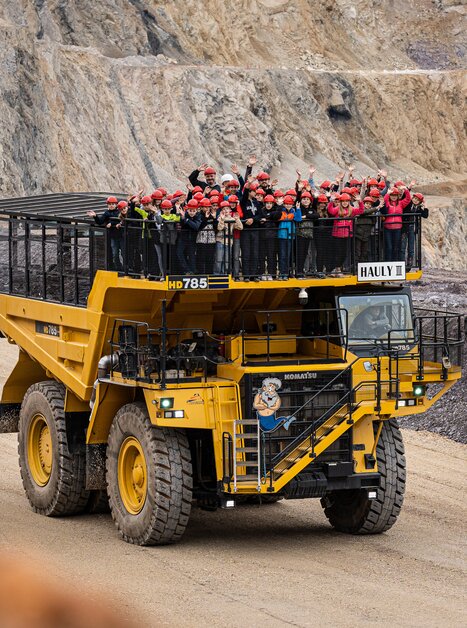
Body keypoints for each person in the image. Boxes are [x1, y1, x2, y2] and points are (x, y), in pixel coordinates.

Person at [327, 193, 363, 276]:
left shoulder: (352, 209)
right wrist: (331, 201)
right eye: (343, 201)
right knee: (337, 252)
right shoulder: (337, 209)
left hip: (347, 235)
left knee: (344, 253)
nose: (345, 203)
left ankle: (338, 268)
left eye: (346, 201)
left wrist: (360, 202)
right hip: (337, 234)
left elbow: (361, 211)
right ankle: (336, 269)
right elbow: (330, 211)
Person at [87, 196, 123, 271]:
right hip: (113, 236)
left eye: (113, 204)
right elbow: (100, 221)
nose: (111, 205)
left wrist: (111, 223)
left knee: (124, 253)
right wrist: (95, 216)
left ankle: (127, 268)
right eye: (110, 204)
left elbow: (121, 220)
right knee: (115, 253)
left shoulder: (119, 211)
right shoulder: (107, 213)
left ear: (116, 204)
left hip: (122, 236)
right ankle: (119, 267)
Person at [240, 180, 263, 281]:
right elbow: (244, 195)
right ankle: (246, 275)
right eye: (254, 191)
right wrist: (248, 185)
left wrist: (253, 219)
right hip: (245, 231)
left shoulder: (257, 203)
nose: (255, 193)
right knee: (246, 253)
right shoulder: (243, 201)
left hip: (255, 230)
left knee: (255, 252)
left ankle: (253, 275)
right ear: (249, 191)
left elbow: (260, 215)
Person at [381, 186, 412, 262]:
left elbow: (408, 199)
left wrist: (406, 190)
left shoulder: (401, 203)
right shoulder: (388, 203)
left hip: (397, 228)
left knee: (396, 247)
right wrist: (387, 194)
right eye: (392, 195)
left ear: (398, 196)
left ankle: (395, 263)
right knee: (389, 247)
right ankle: (388, 263)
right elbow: (384, 202)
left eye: (395, 195)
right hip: (388, 228)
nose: (394, 197)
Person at [214, 201, 243, 274]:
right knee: (219, 259)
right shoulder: (219, 218)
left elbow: (240, 227)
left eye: (227, 208)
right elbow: (220, 228)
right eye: (224, 209)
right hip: (220, 240)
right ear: (221, 211)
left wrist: (237, 219)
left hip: (229, 241)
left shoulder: (232, 219)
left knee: (227, 259)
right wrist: (222, 219)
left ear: (230, 210)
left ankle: (225, 274)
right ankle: (217, 274)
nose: (226, 210)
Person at [402, 192, 428, 271]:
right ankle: (401, 265)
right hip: (405, 228)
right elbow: (404, 197)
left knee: (411, 248)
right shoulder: (408, 205)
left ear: (420, 202)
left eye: (418, 200)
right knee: (403, 247)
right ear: (412, 198)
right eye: (415, 198)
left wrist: (425, 205)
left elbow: (425, 215)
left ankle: (408, 266)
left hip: (412, 230)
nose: (416, 200)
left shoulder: (419, 209)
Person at [277, 195, 302, 279]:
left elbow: (298, 219)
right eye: (286, 204)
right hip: (282, 236)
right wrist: (279, 206)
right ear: (284, 204)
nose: (288, 205)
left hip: (290, 236)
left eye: (290, 204)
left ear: (292, 205)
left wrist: (298, 209)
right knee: (282, 255)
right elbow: (277, 216)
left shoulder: (293, 211)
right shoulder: (281, 211)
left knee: (288, 255)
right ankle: (282, 273)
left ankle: (286, 273)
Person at [296, 191, 318, 277]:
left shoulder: (312, 210)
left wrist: (306, 216)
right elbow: (298, 217)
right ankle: (299, 272)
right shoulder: (300, 208)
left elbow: (316, 215)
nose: (305, 201)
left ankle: (301, 271)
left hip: (309, 235)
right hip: (300, 234)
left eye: (307, 199)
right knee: (300, 253)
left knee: (305, 253)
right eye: (304, 199)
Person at [176, 199, 201, 274]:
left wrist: (186, 220)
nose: (192, 213)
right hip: (183, 238)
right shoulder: (184, 214)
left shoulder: (198, 216)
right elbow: (180, 221)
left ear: (196, 210)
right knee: (179, 253)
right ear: (187, 210)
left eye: (194, 211)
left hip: (192, 239)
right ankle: (187, 270)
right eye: (190, 210)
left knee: (192, 256)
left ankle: (192, 271)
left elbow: (196, 226)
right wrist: (180, 215)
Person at [260, 195, 281, 279]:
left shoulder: (275, 210)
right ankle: (262, 273)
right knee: (262, 256)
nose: (268, 205)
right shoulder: (262, 211)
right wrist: (269, 218)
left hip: (272, 237)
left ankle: (272, 273)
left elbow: (277, 215)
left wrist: (267, 218)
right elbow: (259, 218)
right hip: (263, 236)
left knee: (271, 256)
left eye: (270, 203)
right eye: (267, 203)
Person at [354, 196, 380, 263]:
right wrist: (375, 208)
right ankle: (356, 266)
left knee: (364, 252)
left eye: (369, 204)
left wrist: (373, 214)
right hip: (358, 235)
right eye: (366, 203)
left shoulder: (372, 213)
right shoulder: (361, 210)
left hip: (366, 235)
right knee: (357, 251)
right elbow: (363, 212)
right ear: (364, 204)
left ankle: (362, 265)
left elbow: (374, 222)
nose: (368, 205)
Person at [196, 198, 217, 274]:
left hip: (211, 241)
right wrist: (205, 218)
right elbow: (199, 227)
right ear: (201, 207)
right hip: (201, 240)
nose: (207, 209)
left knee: (210, 259)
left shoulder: (212, 215)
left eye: (208, 207)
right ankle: (201, 274)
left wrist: (214, 219)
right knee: (201, 259)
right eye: (205, 207)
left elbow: (216, 227)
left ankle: (210, 274)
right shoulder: (198, 215)